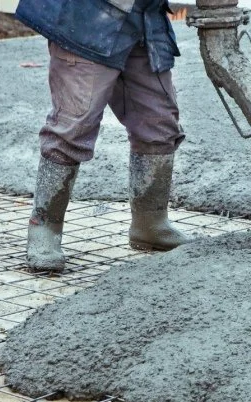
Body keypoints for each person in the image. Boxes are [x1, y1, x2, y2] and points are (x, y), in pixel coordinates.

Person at [15, 0, 190, 271]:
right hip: (87, 17)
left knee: (159, 122)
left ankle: (150, 223)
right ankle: (45, 228)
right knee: (74, 124)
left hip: (144, 18)